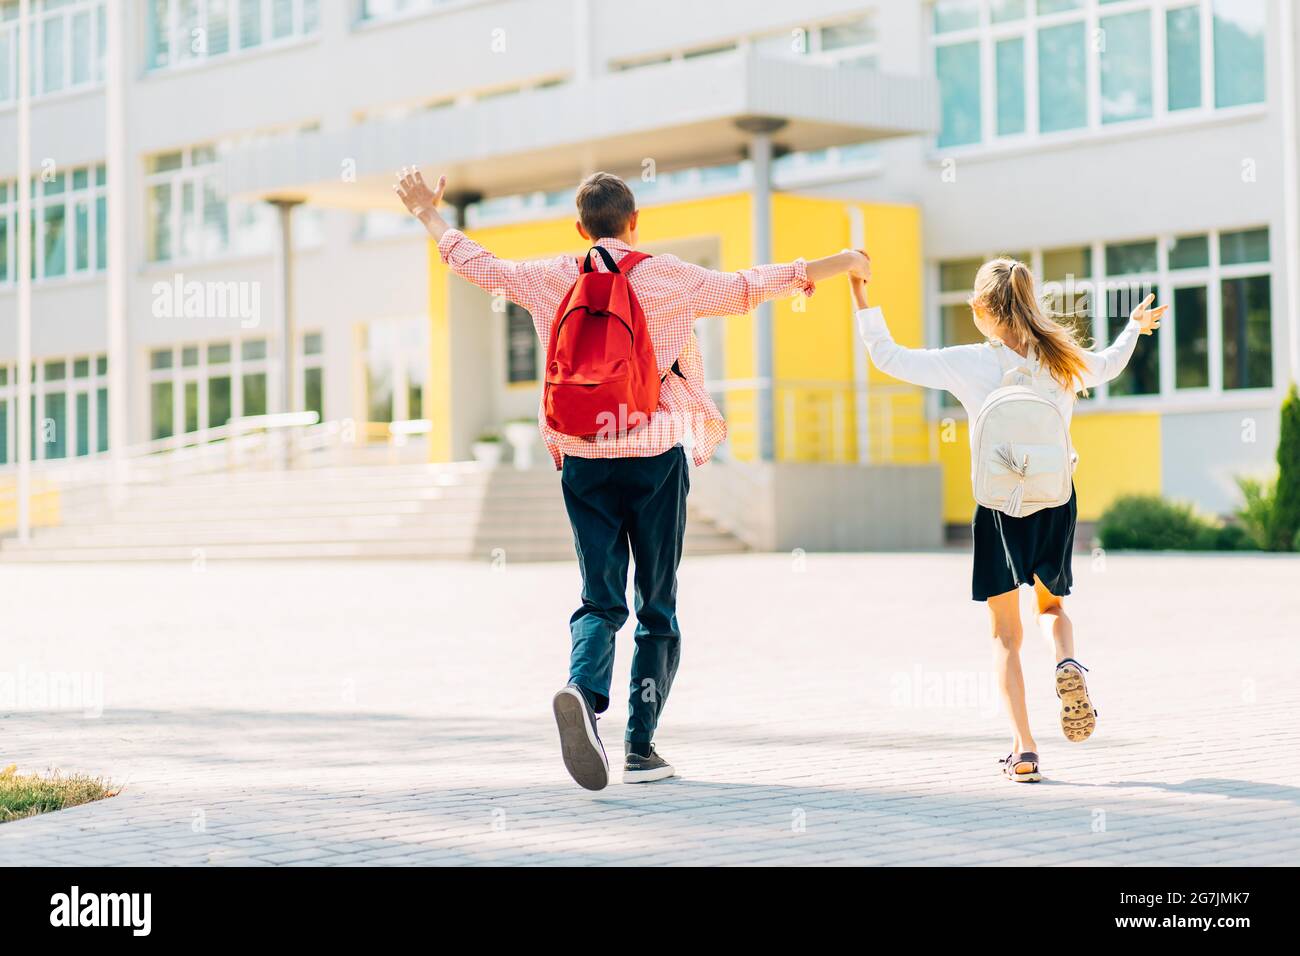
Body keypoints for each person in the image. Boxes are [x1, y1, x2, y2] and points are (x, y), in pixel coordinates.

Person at [395, 167, 870, 790]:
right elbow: (749, 286)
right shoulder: (669, 276)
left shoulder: (549, 277)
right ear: (634, 221)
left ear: (579, 225)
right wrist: (842, 261)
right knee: (657, 605)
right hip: (654, 456)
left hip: (584, 457)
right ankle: (641, 749)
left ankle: (583, 692)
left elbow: (478, 264)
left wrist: (430, 213)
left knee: (599, 597)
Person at [850, 256, 1165, 782]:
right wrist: (1133, 325)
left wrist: (861, 294)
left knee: (1004, 636)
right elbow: (1109, 364)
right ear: (1029, 302)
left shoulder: (970, 361)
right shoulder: (1060, 356)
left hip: (997, 506)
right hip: (1056, 499)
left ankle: (1024, 751)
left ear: (979, 308)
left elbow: (888, 357)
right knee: (1051, 607)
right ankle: (1067, 661)